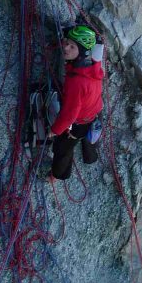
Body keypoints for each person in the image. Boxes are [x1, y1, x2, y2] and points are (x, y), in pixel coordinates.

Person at [49, 25, 104, 182]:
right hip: (94, 110)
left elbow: (69, 114)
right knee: (86, 137)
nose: (65, 47)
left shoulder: (77, 82)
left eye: (72, 46)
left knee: (62, 148)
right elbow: (98, 46)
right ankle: (90, 156)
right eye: (67, 42)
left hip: (80, 122)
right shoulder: (93, 64)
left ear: (82, 52)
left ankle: (57, 175)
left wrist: (54, 130)